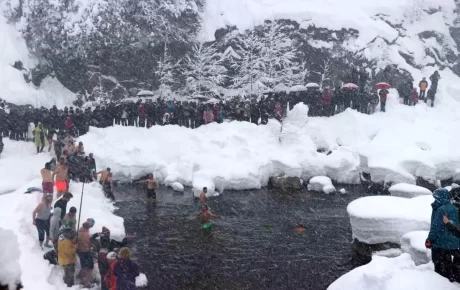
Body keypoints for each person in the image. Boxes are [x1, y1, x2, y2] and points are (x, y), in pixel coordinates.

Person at [425, 188, 460, 282]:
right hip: (453, 243)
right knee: (448, 264)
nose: (434, 200)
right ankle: (451, 280)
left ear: (439, 197)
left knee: (440, 266)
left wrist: (429, 240)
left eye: (435, 197)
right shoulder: (453, 208)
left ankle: (441, 283)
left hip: (441, 243)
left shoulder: (441, 209)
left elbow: (435, 228)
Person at [58, 220, 77, 287]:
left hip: (62, 259)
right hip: (69, 260)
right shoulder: (68, 242)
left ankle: (65, 284)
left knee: (66, 272)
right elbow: (70, 252)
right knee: (70, 274)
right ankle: (70, 286)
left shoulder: (61, 239)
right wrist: (75, 247)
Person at [77, 221, 95, 287]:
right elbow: (88, 243)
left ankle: (82, 280)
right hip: (85, 252)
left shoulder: (80, 233)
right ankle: (86, 282)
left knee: (84, 267)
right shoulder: (85, 234)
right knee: (89, 268)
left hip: (82, 252)